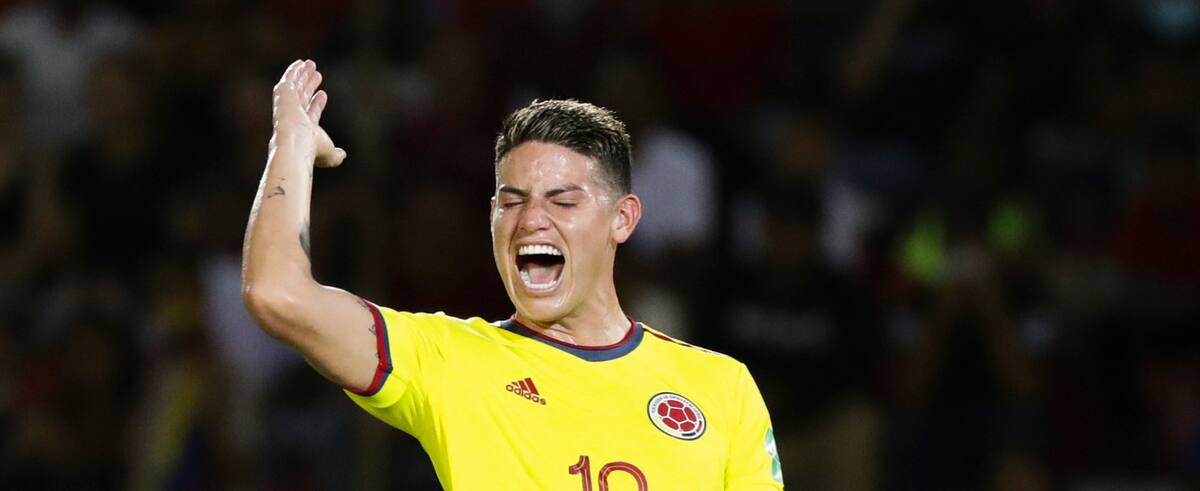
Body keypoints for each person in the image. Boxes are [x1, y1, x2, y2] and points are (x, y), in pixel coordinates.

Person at [242, 59, 783, 490]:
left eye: (562, 201)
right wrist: (289, 145)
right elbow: (277, 293)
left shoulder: (721, 387)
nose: (531, 220)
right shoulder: (449, 360)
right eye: (512, 201)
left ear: (622, 219)